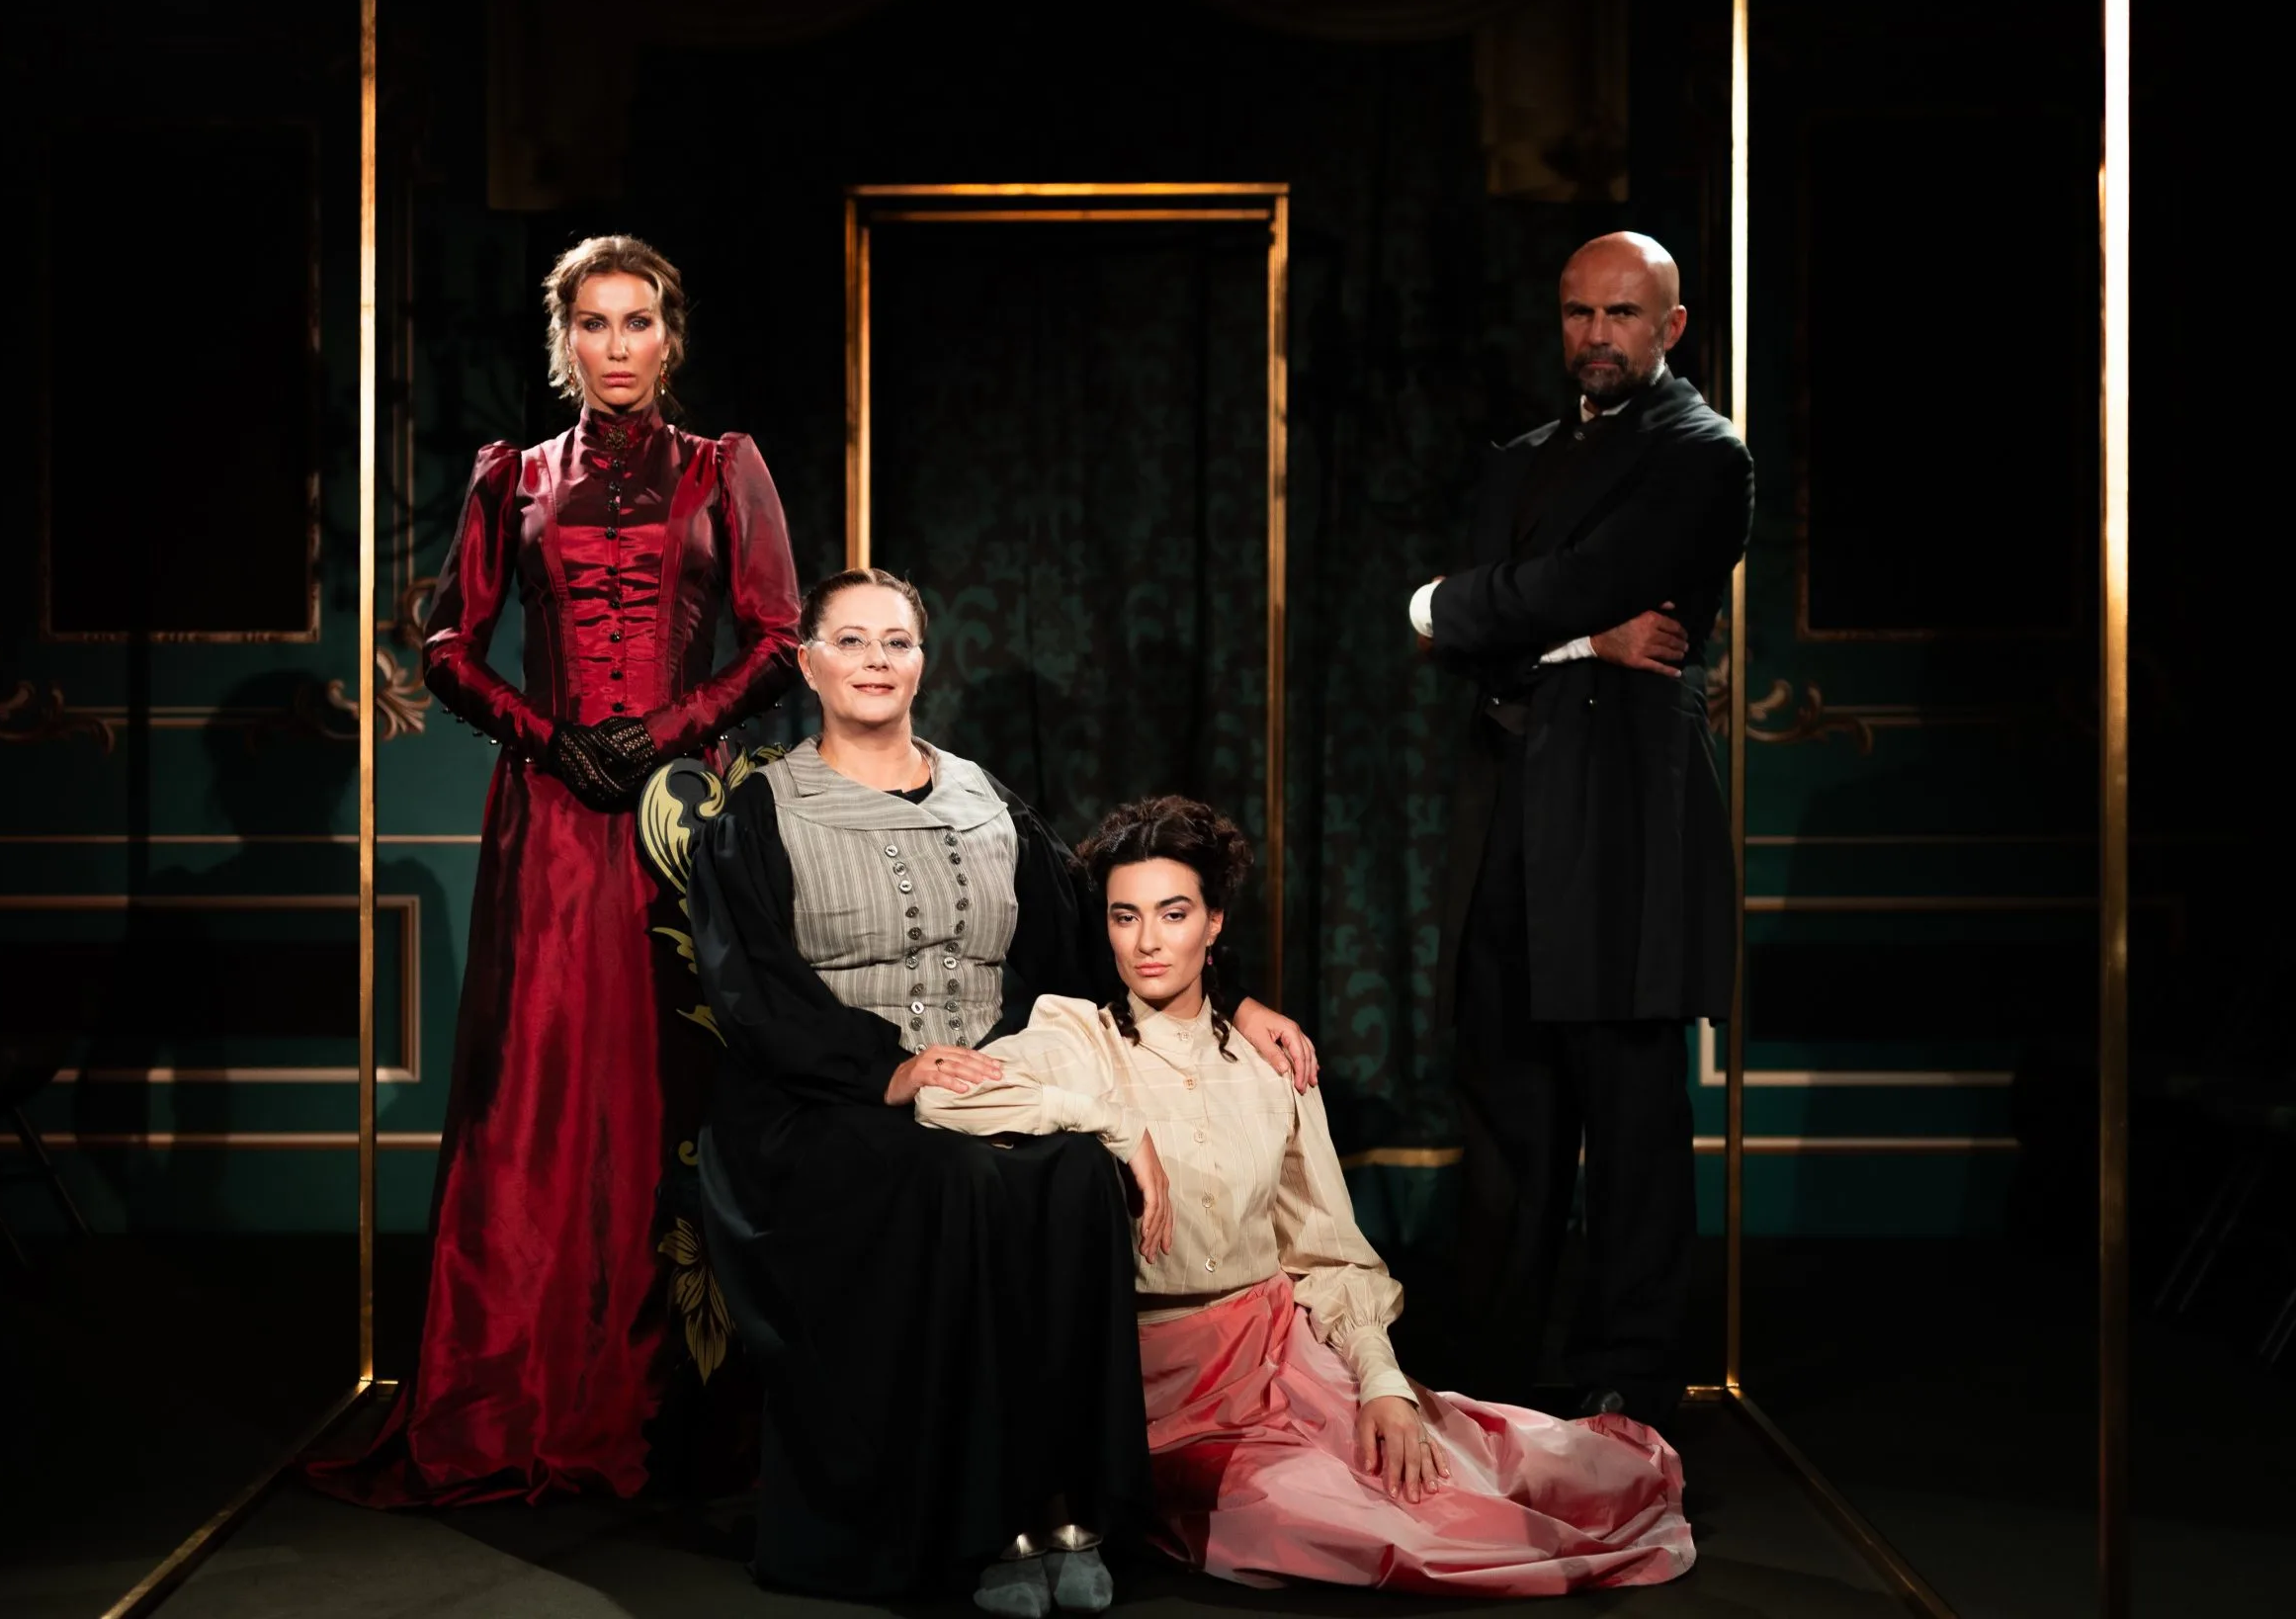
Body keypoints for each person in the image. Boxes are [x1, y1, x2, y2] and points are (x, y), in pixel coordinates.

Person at [687, 567, 1318, 1610]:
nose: (876, 661)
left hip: (999, 1090)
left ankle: (1066, 1504)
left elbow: (1089, 939)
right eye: (851, 641)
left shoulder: (986, 801)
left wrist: (1233, 998)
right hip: (826, 1105)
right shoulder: (760, 814)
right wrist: (887, 1070)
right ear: (808, 664)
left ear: (922, 663)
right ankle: (977, 1527)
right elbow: (750, 988)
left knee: (1073, 1177)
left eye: (897, 641)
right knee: (960, 1182)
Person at [308, 234, 803, 1505]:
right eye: (593, 321)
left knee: (669, 1082)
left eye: (638, 321)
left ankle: (669, 1401)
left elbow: (779, 640)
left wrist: (667, 731)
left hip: (680, 816)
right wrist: (548, 737)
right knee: (537, 1089)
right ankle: (520, 1381)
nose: (616, 344)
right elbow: (446, 645)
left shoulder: (725, 469)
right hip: (548, 814)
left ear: (670, 338)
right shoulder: (511, 476)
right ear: (562, 339)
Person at [916, 795, 1693, 1595]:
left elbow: (1328, 1253)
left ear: (1214, 922)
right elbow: (941, 1097)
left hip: (1282, 1357)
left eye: (1173, 914)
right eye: (1125, 917)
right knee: (1365, 1531)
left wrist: (1380, 1382)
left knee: (1488, 1472)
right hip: (1158, 1394)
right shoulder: (1077, 1037)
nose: (1147, 942)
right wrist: (1111, 1121)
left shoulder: (1269, 1064)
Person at [1407, 230, 1752, 1432]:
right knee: (1507, 1104)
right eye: (1576, 312)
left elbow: (1566, 583)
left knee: (1630, 1107)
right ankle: (1492, 1370)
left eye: (1621, 313)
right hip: (1508, 803)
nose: (1595, 334)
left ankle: (1631, 1379)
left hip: (1619, 815)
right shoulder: (1518, 460)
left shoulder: (1700, 453)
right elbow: (1491, 631)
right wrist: (1571, 640)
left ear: (1672, 324)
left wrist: (1458, 607)